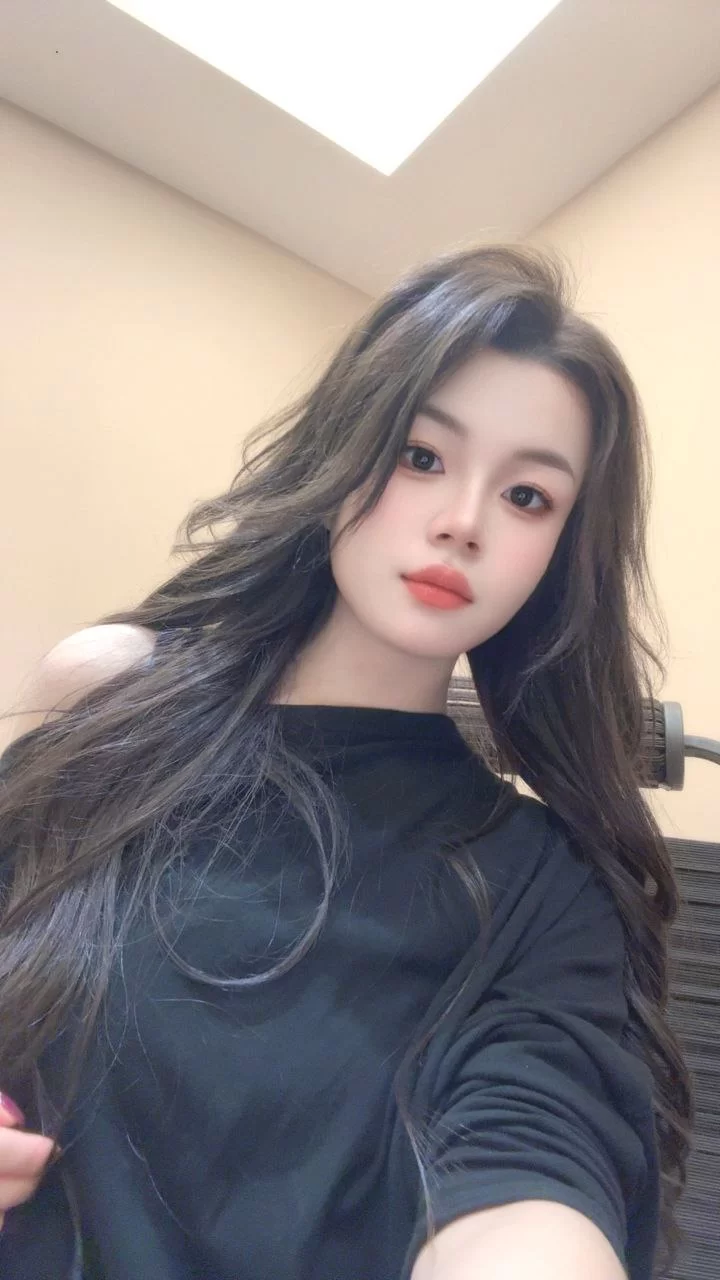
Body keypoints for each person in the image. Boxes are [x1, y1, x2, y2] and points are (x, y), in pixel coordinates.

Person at [0, 244, 692, 1280]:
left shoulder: (542, 883)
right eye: (421, 455)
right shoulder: (113, 693)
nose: (462, 522)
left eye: (528, 496)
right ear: (344, 456)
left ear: (559, 554)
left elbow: (531, 1176)